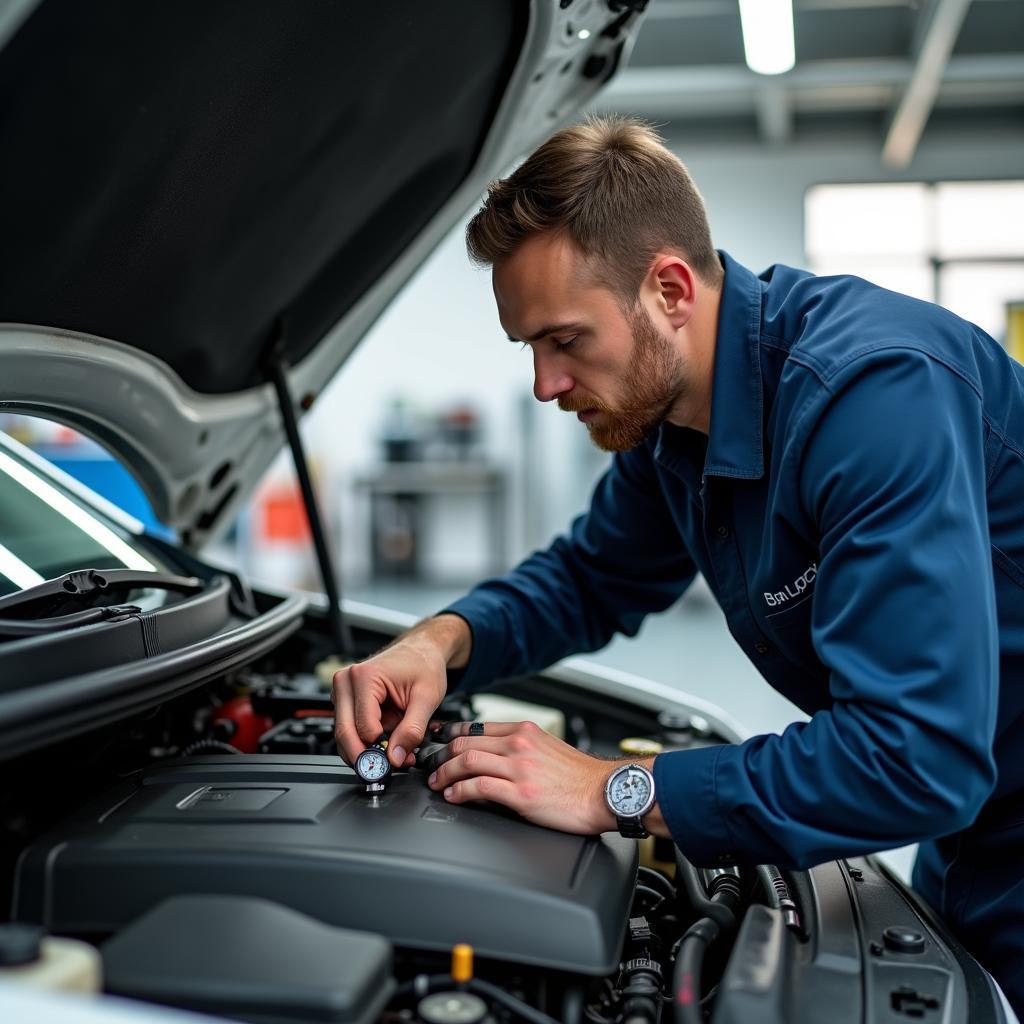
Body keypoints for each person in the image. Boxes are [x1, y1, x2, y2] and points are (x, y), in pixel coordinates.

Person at [332, 116, 1024, 1012]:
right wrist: (440, 640)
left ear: (669, 289)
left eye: (566, 340)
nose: (544, 384)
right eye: (530, 349)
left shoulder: (874, 397)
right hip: (975, 822)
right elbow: (591, 576)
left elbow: (914, 755)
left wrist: (615, 790)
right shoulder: (670, 427)